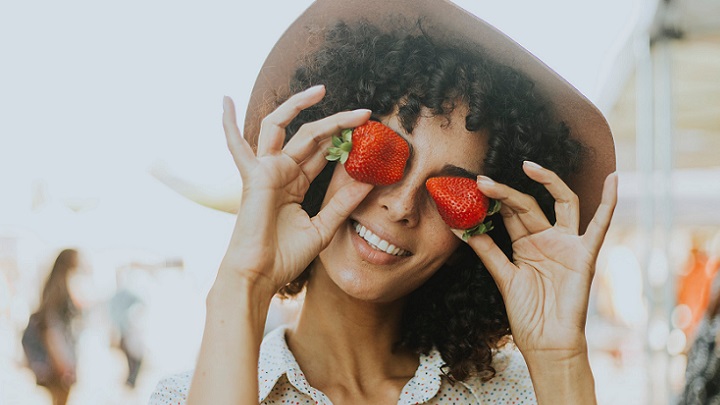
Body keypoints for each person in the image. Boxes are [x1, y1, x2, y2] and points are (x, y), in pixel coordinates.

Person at [149, 0, 618, 403]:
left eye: (450, 192)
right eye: (384, 156)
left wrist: (560, 360)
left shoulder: (518, 395)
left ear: (477, 234)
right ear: (320, 155)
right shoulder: (185, 396)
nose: (402, 205)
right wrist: (243, 285)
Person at [22, 248, 83, 405]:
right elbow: (50, 330)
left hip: (58, 359)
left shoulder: (58, 287)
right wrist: (63, 363)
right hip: (56, 361)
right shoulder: (59, 290)